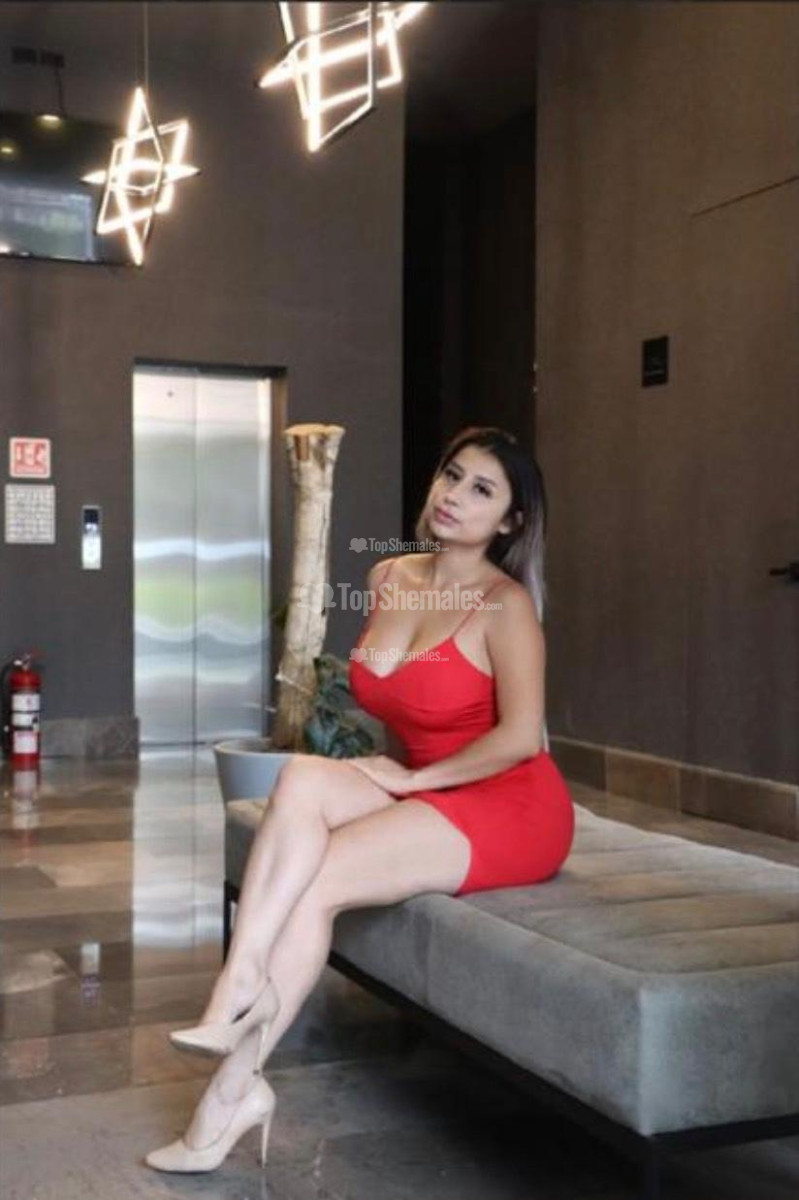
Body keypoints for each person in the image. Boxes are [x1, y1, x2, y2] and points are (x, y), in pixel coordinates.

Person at [145, 424, 575, 1173]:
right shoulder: (389, 576)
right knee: (301, 778)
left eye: (481, 490)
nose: (454, 495)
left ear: (509, 522)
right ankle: (235, 989)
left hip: (510, 804)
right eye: (451, 474)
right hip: (428, 779)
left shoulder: (505, 607)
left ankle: (227, 1099)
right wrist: (397, 768)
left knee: (318, 882)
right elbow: (399, 700)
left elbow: (518, 738)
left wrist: (413, 781)